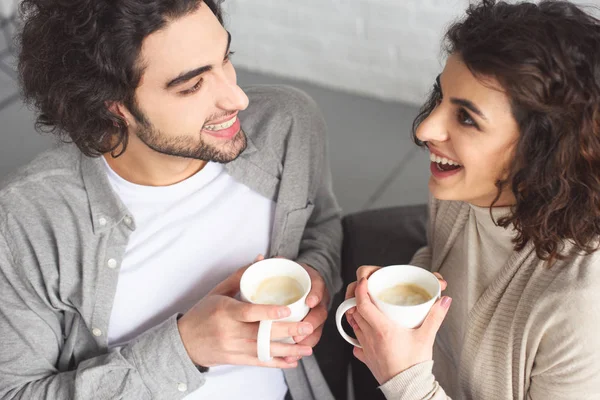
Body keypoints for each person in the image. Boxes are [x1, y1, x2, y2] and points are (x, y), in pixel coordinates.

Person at [0, 1, 342, 399]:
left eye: (225, 58)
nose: (237, 99)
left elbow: (322, 223)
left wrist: (316, 274)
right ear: (115, 106)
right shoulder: (28, 220)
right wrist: (186, 348)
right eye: (192, 85)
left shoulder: (286, 125)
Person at [344, 0, 600, 399]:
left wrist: (404, 379)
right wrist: (406, 291)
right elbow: (446, 261)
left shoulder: (581, 309)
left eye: (466, 118)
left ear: (545, 149)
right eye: (441, 97)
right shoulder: (463, 189)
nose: (425, 129)